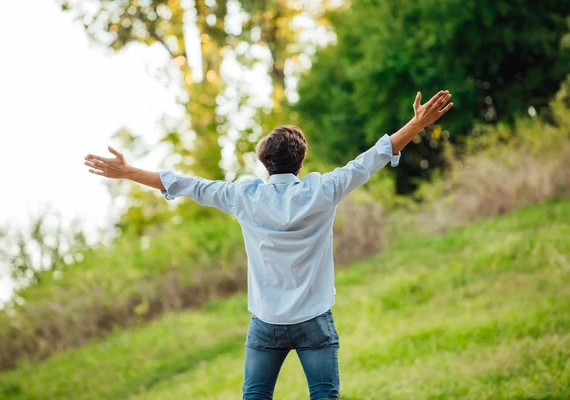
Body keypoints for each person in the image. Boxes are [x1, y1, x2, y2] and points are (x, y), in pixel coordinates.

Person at [84, 90, 453, 399]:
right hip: (314, 321)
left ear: (264, 163)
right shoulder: (322, 191)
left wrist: (128, 172)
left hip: (266, 324)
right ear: (301, 161)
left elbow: (185, 183)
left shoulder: (244, 196)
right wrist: (418, 123)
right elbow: (372, 158)